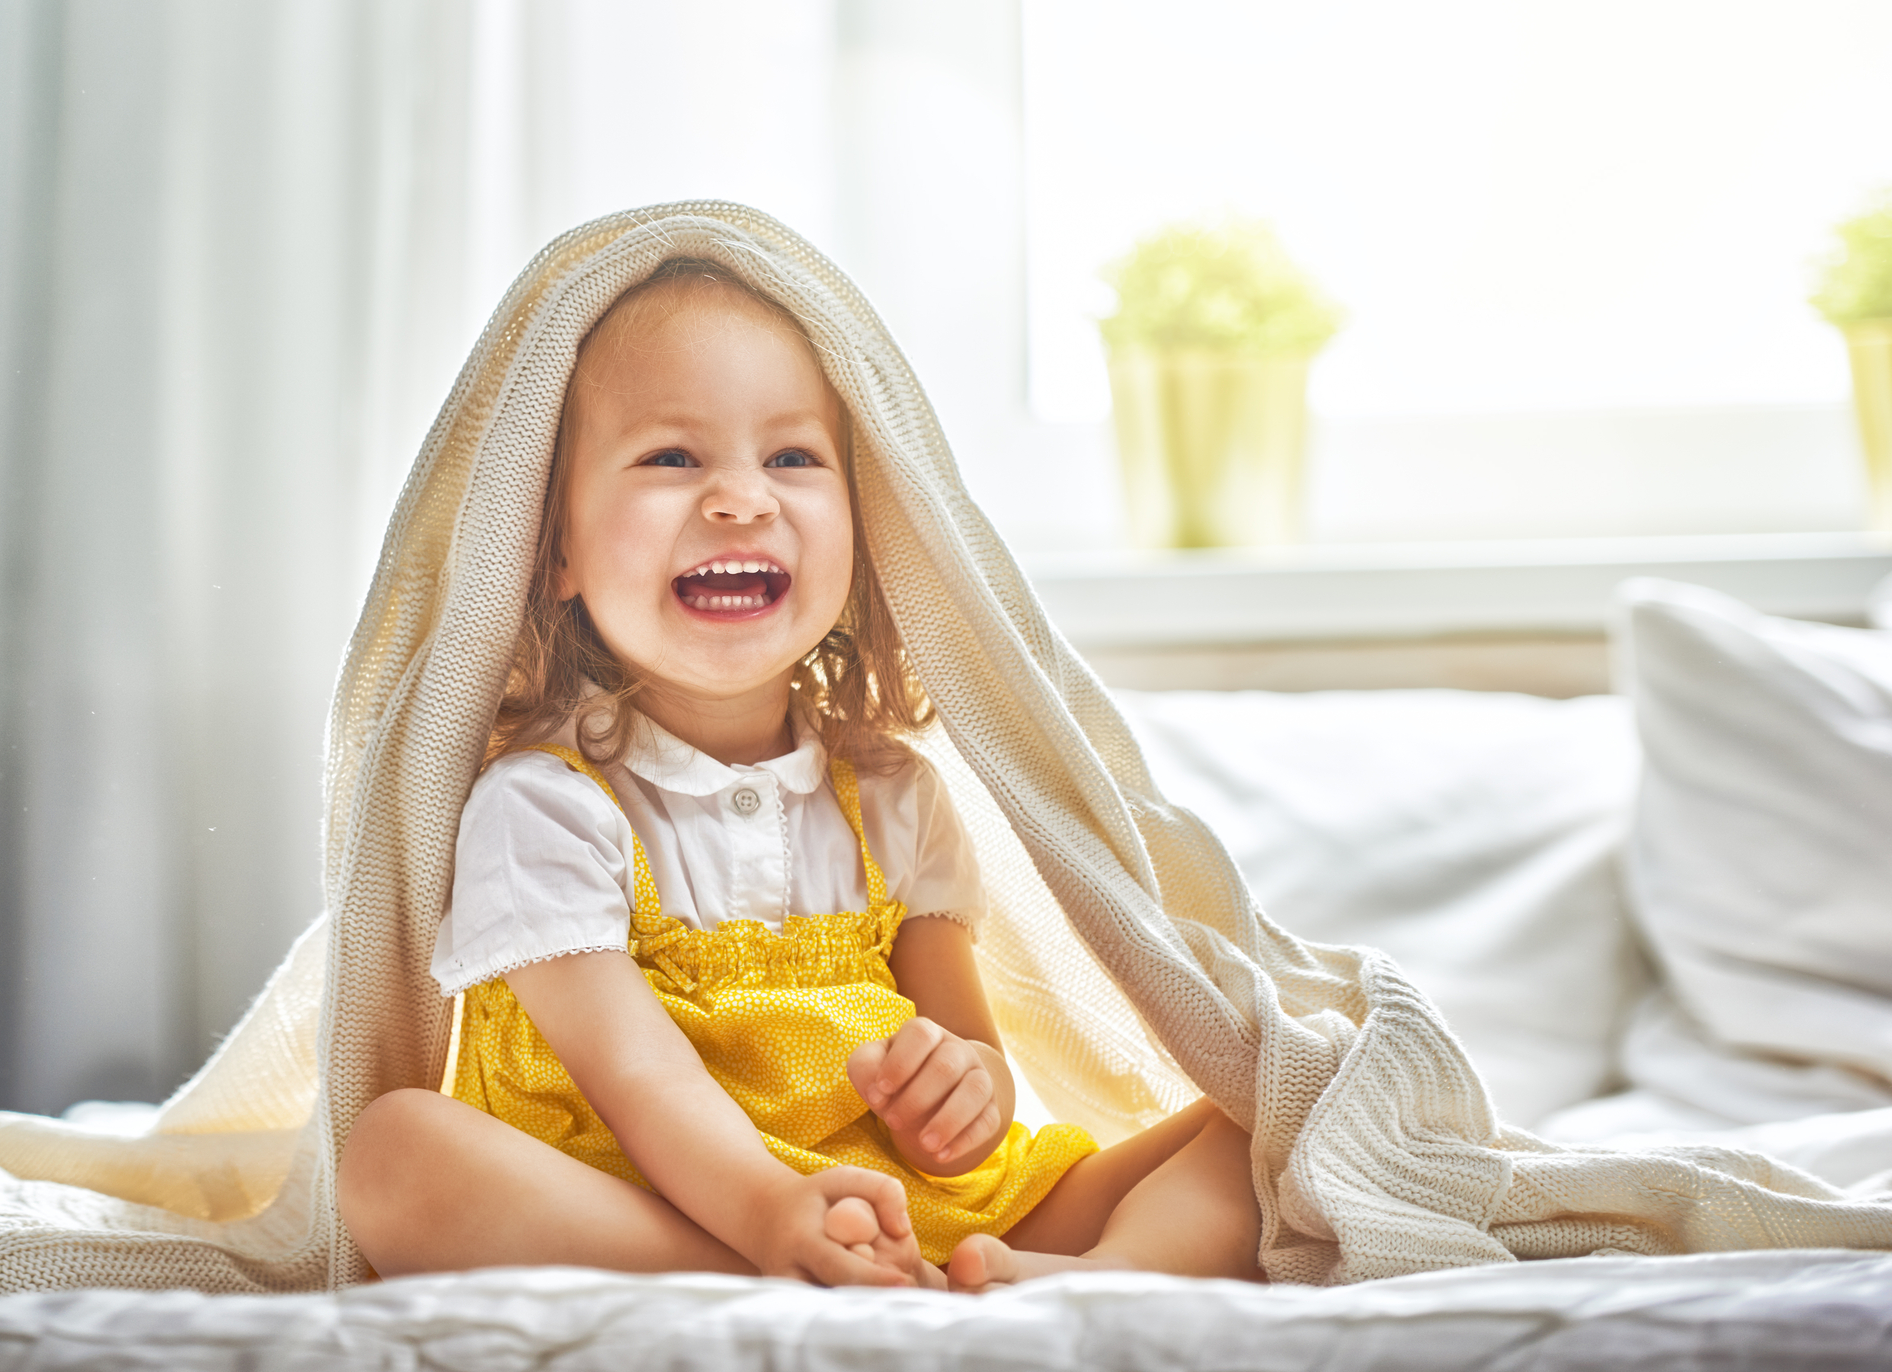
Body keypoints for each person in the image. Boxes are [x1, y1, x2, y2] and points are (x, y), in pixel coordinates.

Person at [335, 258, 1265, 1292]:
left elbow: (969, 1050)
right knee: (392, 1152)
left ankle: (1096, 1283)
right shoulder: (545, 807)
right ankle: (777, 1277)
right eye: (671, 456)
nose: (741, 498)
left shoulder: (895, 796)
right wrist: (770, 1212)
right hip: (656, 1204)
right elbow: (638, 1077)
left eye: (791, 455)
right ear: (552, 550)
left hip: (920, 1215)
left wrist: (962, 1094)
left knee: (1269, 1112)